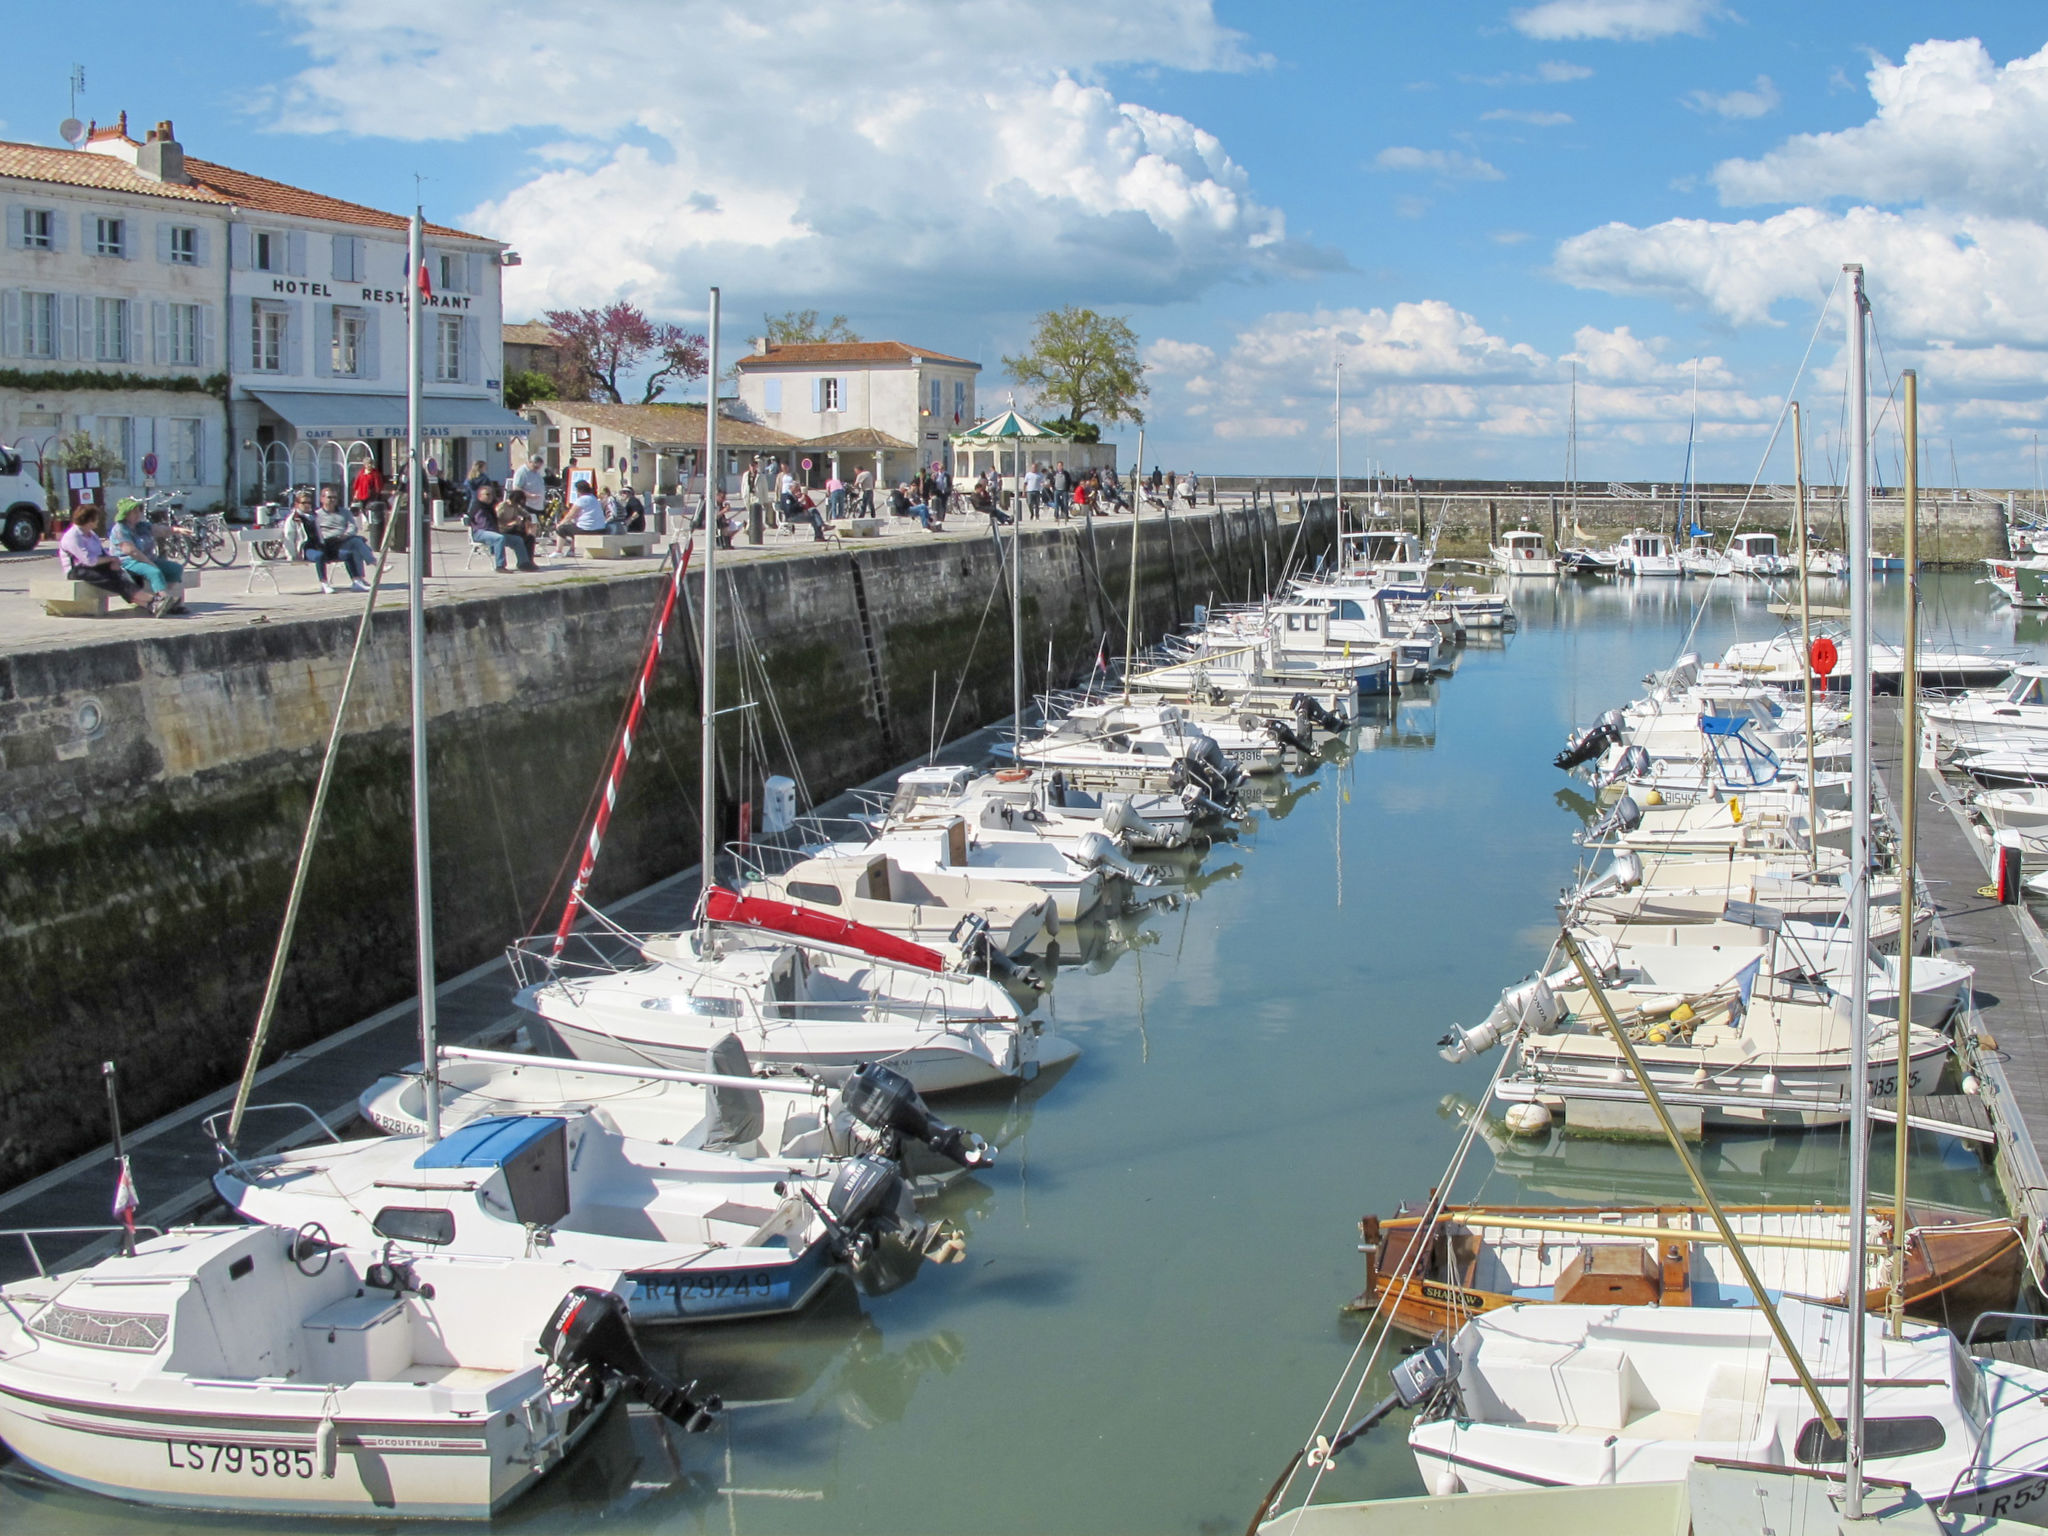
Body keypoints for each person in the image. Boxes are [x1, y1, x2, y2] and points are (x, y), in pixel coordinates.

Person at [58, 503, 160, 613]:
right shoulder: (73, 536)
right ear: (89, 520)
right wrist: (111, 560)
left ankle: (149, 605)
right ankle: (152, 599)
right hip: (77, 570)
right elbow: (89, 560)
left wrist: (113, 561)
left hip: (94, 566)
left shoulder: (91, 534)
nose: (98, 521)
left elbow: (101, 552)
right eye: (96, 518)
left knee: (124, 574)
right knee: (113, 580)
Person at [109, 497, 187, 609]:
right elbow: (130, 551)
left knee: (176, 569)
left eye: (138, 511)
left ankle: (165, 597)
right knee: (154, 572)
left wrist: (177, 530)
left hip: (147, 559)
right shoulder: (120, 529)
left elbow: (160, 530)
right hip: (128, 561)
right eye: (134, 512)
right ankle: (164, 600)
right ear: (126, 514)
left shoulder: (142, 525)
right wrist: (149, 563)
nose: (138, 514)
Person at [311, 485, 374, 591]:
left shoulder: (344, 512)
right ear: (322, 499)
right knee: (356, 544)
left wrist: (345, 535)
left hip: (345, 539)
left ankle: (358, 580)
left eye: (335, 497)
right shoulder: (317, 515)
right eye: (329, 497)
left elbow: (353, 526)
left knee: (355, 544)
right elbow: (317, 532)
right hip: (330, 544)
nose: (332, 500)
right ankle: (371, 566)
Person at [558, 479, 610, 555]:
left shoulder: (582, 499)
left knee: (562, 528)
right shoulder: (594, 498)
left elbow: (570, 515)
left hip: (587, 530)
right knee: (575, 526)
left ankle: (558, 551)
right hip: (600, 529)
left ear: (579, 490)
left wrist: (560, 524)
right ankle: (571, 550)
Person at [469, 482, 510, 572]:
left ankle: (524, 563)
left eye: (492, 494)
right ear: (480, 496)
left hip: (493, 532)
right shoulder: (477, 506)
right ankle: (500, 566)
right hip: (479, 533)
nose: (491, 496)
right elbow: (477, 522)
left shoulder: (491, 506)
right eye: (487, 494)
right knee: (499, 538)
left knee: (517, 540)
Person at [497, 489, 540, 570]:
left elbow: (526, 514)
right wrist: (510, 523)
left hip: (512, 529)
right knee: (519, 539)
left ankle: (528, 561)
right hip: (502, 530)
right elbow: (496, 522)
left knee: (530, 538)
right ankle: (523, 562)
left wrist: (527, 520)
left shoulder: (516, 506)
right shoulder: (502, 507)